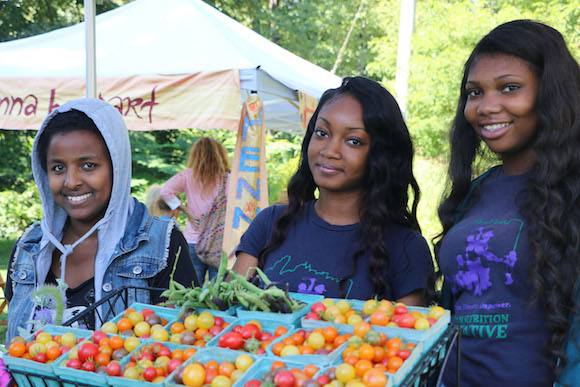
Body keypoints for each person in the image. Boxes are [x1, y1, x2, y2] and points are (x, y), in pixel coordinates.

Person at [434, 20, 580, 387]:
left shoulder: (574, 191)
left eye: (509, 88)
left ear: (552, 94)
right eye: (474, 92)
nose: (486, 106)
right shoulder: (476, 190)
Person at [5, 99, 199, 342]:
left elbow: (183, 343)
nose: (71, 181)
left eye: (88, 165)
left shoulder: (161, 245)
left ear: (116, 167)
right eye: (57, 168)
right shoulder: (28, 249)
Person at [233, 76, 434, 303]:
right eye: (322, 133)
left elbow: (407, 334)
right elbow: (225, 319)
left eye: (353, 141)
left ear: (382, 155)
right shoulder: (269, 223)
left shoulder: (407, 247)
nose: (330, 150)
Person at [161, 137, 230, 282]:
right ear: (220, 154)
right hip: (218, 242)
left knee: (190, 291)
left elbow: (165, 191)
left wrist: (186, 211)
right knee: (216, 293)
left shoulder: (187, 175)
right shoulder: (228, 178)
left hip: (192, 240)